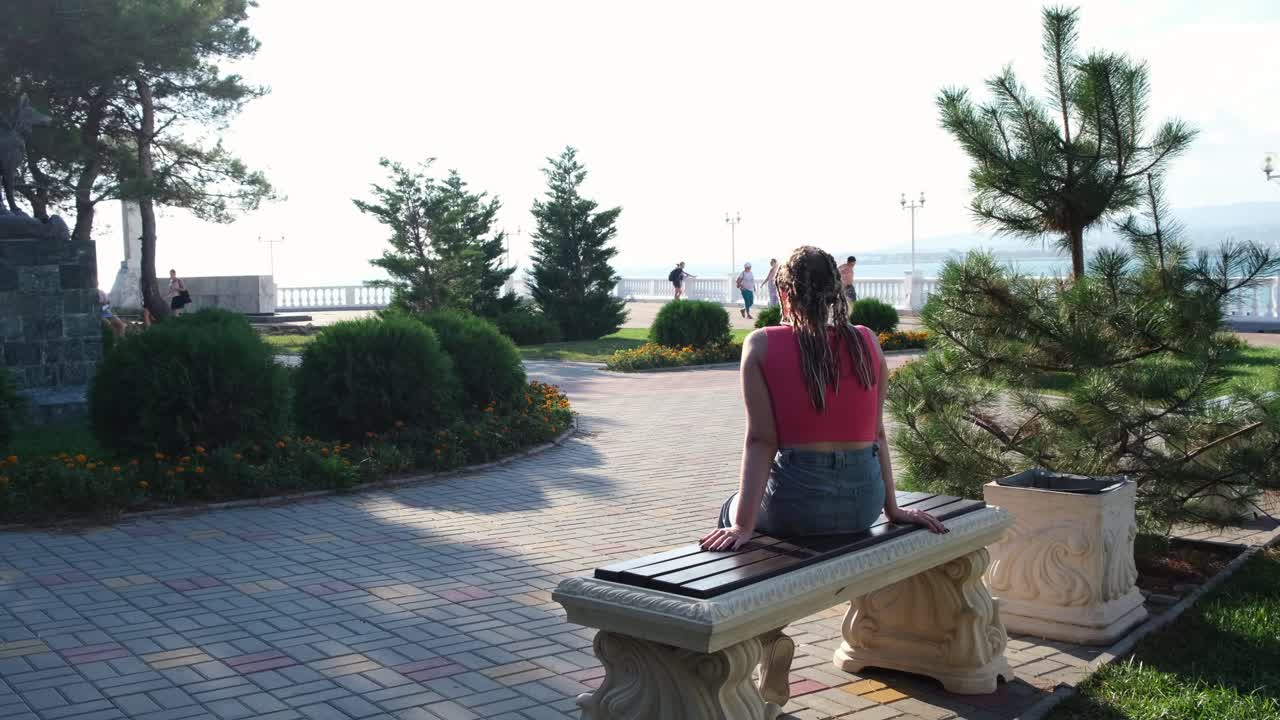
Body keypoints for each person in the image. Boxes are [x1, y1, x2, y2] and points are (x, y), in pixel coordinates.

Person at [700, 246, 946, 551]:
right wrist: (892, 510)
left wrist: (741, 525)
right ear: (836, 290)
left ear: (785, 294)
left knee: (730, 508)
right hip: (864, 507)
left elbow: (761, 441)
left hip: (796, 506)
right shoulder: (867, 340)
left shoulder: (762, 343)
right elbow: (877, 434)